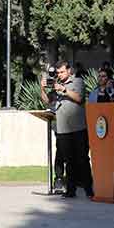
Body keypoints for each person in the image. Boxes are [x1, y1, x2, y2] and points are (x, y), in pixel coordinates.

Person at [39, 60, 93, 199]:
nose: (60, 75)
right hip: (62, 129)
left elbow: (79, 98)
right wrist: (43, 88)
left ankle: (89, 189)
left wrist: (64, 90)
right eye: (58, 73)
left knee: (82, 159)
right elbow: (47, 101)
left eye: (62, 72)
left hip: (78, 127)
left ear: (69, 71)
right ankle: (71, 190)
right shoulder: (56, 84)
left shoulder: (77, 82)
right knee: (68, 161)